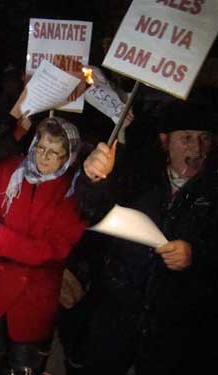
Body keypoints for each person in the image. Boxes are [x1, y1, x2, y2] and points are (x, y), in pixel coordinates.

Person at [66, 98, 218, 375]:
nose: (197, 149)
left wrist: (195, 255)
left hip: (174, 331)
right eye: (186, 138)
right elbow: (92, 210)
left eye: (204, 139)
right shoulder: (138, 177)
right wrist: (92, 178)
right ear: (165, 141)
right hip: (117, 317)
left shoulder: (214, 190)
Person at [0, 116, 86, 375]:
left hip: (33, 299)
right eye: (40, 148)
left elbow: (54, 249)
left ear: (69, 156)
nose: (44, 157)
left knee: (24, 363)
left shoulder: (71, 192)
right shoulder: (11, 168)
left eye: (54, 153)